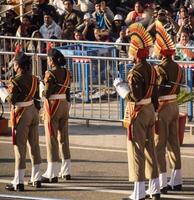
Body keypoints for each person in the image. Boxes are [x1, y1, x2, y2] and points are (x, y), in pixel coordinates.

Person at [114, 23, 160, 200]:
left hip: (139, 111)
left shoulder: (136, 72)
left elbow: (135, 96)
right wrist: (153, 111)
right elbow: (154, 94)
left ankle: (139, 192)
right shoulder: (151, 68)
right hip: (149, 110)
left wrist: (121, 89)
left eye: (132, 52)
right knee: (150, 150)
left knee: (137, 151)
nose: (130, 55)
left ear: (135, 53)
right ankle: (154, 188)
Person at [0, 52, 42, 191]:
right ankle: (36, 178)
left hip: (21, 113)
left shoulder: (15, 81)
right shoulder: (34, 79)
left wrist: (2, 92)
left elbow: (12, 100)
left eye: (15, 64)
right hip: (33, 111)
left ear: (18, 66)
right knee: (34, 146)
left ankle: (18, 181)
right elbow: (36, 97)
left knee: (20, 148)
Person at [153, 20, 183, 194]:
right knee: (174, 144)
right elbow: (177, 88)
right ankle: (176, 180)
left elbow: (156, 91)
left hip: (163, 107)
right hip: (174, 105)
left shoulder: (159, 69)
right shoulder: (178, 67)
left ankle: (162, 183)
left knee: (159, 145)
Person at [41, 48, 72, 183]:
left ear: (52, 61)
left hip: (53, 105)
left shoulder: (50, 74)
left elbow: (47, 94)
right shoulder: (67, 72)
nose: (47, 61)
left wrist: (41, 89)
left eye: (48, 59)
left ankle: (51, 172)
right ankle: (66, 170)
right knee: (64, 138)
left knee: (51, 139)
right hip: (64, 104)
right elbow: (68, 91)